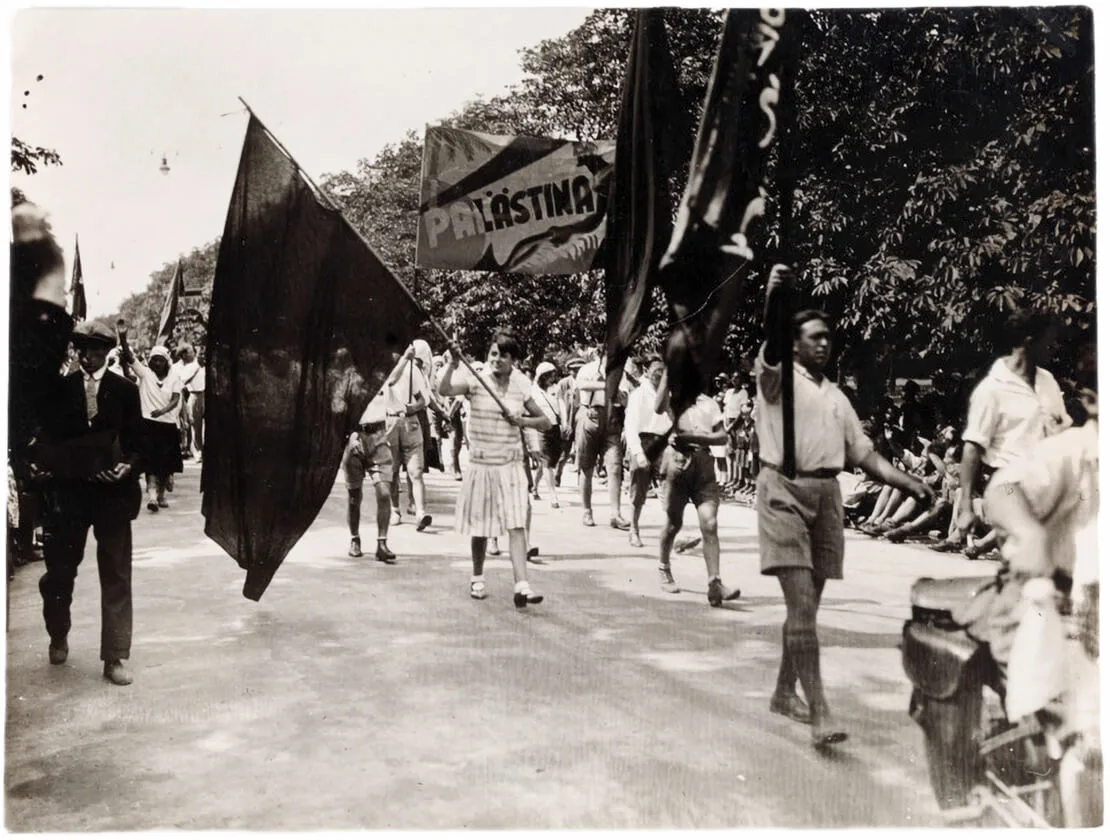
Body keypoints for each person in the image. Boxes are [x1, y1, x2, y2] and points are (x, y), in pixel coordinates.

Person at [755, 265, 932, 747]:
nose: (823, 344)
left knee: (806, 610)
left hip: (827, 496)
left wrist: (908, 481)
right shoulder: (776, 378)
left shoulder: (835, 396)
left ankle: (782, 692)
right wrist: (774, 297)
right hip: (783, 492)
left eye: (827, 337)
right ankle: (819, 712)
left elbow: (863, 454)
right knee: (802, 606)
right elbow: (771, 341)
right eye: (813, 337)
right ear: (794, 343)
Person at [30, 319, 144, 686]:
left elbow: (138, 444)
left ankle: (114, 656)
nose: (88, 353)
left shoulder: (125, 390)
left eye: (96, 347)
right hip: (69, 497)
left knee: (116, 575)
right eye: (82, 346)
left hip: (113, 497)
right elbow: (46, 445)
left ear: (109, 351)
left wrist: (127, 467)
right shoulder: (59, 391)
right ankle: (58, 632)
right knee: (60, 573)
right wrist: (75, 465)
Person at [937, 309, 1071, 557]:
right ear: (1030, 342)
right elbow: (972, 447)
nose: (1054, 348)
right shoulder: (991, 390)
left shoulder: (1048, 381)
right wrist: (966, 504)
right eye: (1050, 342)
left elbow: (1061, 431)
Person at [438, 330, 552, 607]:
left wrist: (521, 420)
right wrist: (453, 363)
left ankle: (522, 586)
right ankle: (477, 576)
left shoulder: (521, 384)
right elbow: (444, 390)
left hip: (511, 465)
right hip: (482, 464)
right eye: (493, 354)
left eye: (503, 355)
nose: (496, 359)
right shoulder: (476, 380)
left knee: (516, 524)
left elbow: (546, 421)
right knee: (481, 526)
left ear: (513, 360)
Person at [654, 378, 743, 606]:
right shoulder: (674, 400)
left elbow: (721, 436)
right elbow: (658, 406)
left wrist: (693, 437)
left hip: (704, 464)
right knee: (674, 523)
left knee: (710, 523)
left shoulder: (709, 403)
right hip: (677, 462)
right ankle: (663, 566)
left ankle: (715, 583)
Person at [119, 339, 183, 512]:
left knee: (165, 465)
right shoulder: (145, 374)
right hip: (147, 425)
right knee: (151, 463)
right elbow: (130, 357)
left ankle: (161, 494)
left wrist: (162, 411)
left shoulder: (175, 377)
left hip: (168, 425)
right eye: (154, 359)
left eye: (160, 359)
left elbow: (176, 399)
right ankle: (153, 497)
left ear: (166, 361)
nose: (156, 363)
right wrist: (123, 338)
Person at [342, 376, 398, 565]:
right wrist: (350, 435)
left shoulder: (385, 377)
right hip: (355, 438)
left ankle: (382, 545)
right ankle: (354, 538)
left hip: (379, 438)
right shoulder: (349, 376)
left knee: (384, 492)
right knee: (353, 495)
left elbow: (398, 404)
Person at [575, 349, 629, 530]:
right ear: (601, 354)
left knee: (614, 467)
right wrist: (606, 385)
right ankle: (586, 510)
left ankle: (615, 514)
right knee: (586, 467)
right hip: (590, 414)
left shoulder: (621, 374)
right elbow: (582, 385)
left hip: (612, 419)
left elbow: (626, 398)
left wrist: (622, 397)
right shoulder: (588, 369)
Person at [386, 340, 433, 531]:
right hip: (389, 422)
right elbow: (390, 380)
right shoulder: (382, 366)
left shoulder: (413, 370)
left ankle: (421, 512)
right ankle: (395, 509)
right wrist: (405, 360)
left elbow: (424, 398)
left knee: (416, 470)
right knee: (392, 471)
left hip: (411, 423)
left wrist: (413, 407)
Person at [623, 355, 669, 548]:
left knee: (670, 490)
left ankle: (672, 533)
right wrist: (638, 453)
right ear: (647, 372)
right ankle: (633, 530)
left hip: (664, 443)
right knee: (638, 491)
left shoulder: (668, 393)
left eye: (662, 370)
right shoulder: (639, 395)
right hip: (643, 441)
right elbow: (631, 426)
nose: (659, 374)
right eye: (655, 370)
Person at [528, 361, 564, 508]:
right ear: (542, 377)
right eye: (549, 375)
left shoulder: (555, 389)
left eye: (553, 375)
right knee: (547, 463)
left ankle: (535, 486)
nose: (552, 378)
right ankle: (553, 495)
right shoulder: (533, 392)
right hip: (541, 429)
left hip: (555, 428)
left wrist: (565, 423)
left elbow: (561, 404)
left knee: (548, 463)